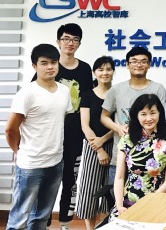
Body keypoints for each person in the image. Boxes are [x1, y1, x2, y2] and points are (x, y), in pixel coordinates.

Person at [31, 23, 93, 230]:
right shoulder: (48, 67)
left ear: (79, 43)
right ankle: (44, 224)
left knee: (70, 181)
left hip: (75, 135)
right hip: (49, 135)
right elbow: (34, 97)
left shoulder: (85, 69)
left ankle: (65, 223)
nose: (70, 43)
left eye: (75, 39)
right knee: (47, 182)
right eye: (66, 38)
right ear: (58, 41)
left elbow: (87, 102)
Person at [5, 44, 72, 230]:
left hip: (55, 162)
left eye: (53, 62)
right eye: (44, 63)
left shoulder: (64, 91)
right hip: (30, 164)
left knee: (42, 216)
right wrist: (18, 151)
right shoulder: (27, 93)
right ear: (34, 66)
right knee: (19, 217)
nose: (50, 67)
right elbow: (10, 130)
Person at [101, 47, 166, 184]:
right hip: (120, 156)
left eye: (143, 61)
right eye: (134, 61)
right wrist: (118, 128)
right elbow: (104, 117)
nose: (139, 64)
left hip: (150, 160)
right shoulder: (116, 89)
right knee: (116, 195)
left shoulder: (158, 89)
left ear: (149, 65)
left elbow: (161, 119)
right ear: (127, 64)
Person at [110, 94, 166, 218]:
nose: (148, 118)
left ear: (160, 113)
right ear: (137, 116)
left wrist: (150, 201)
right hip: (128, 201)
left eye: (153, 113)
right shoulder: (127, 140)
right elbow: (119, 177)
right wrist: (119, 205)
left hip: (157, 200)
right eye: (143, 114)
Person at [75, 56, 115, 230]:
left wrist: (103, 141)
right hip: (92, 147)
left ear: (113, 72)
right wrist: (98, 148)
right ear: (94, 73)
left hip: (114, 144)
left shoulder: (118, 93)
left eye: (108, 69)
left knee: (111, 189)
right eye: (100, 69)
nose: (105, 73)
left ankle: (107, 226)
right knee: (89, 189)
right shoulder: (87, 95)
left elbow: (120, 124)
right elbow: (85, 125)